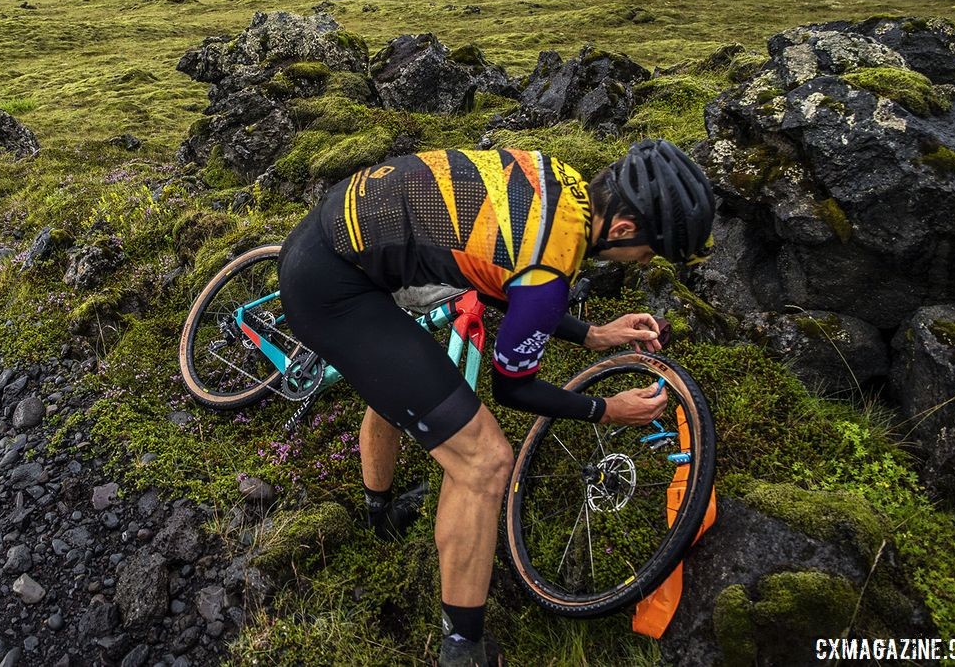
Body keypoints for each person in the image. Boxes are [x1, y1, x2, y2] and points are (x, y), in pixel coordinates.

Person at [276, 139, 715, 666]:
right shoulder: (549, 271)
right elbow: (514, 387)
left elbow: (505, 281)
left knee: (398, 381)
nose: (642, 262)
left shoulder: (561, 185)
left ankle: (380, 515)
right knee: (485, 463)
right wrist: (606, 409)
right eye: (648, 252)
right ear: (623, 230)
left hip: (333, 232)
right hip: (333, 290)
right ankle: (462, 649)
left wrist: (594, 334)